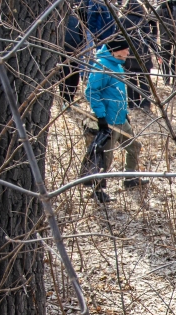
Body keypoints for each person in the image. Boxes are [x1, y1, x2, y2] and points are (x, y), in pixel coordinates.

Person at [85, 36, 147, 202]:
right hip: (109, 122)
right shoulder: (101, 66)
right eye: (125, 49)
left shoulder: (118, 65)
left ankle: (130, 178)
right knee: (106, 158)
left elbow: (118, 93)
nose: (128, 52)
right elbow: (91, 92)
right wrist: (101, 116)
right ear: (114, 50)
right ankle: (97, 191)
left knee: (134, 146)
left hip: (121, 118)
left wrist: (125, 112)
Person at [121, 0, 156, 112]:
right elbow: (149, 38)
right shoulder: (143, 20)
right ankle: (146, 104)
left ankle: (132, 103)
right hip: (143, 55)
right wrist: (157, 52)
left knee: (131, 80)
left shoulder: (122, 20)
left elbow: (118, 38)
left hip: (128, 55)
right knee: (144, 81)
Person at [155, 0, 176, 86]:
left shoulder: (175, 3)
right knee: (165, 59)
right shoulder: (161, 5)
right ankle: (166, 80)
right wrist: (161, 7)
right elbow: (152, 17)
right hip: (165, 36)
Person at [59, 3, 87, 105]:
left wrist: (81, 46)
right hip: (63, 50)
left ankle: (71, 98)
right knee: (65, 75)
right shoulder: (59, 18)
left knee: (75, 74)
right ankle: (64, 100)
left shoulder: (75, 17)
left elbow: (82, 33)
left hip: (76, 50)